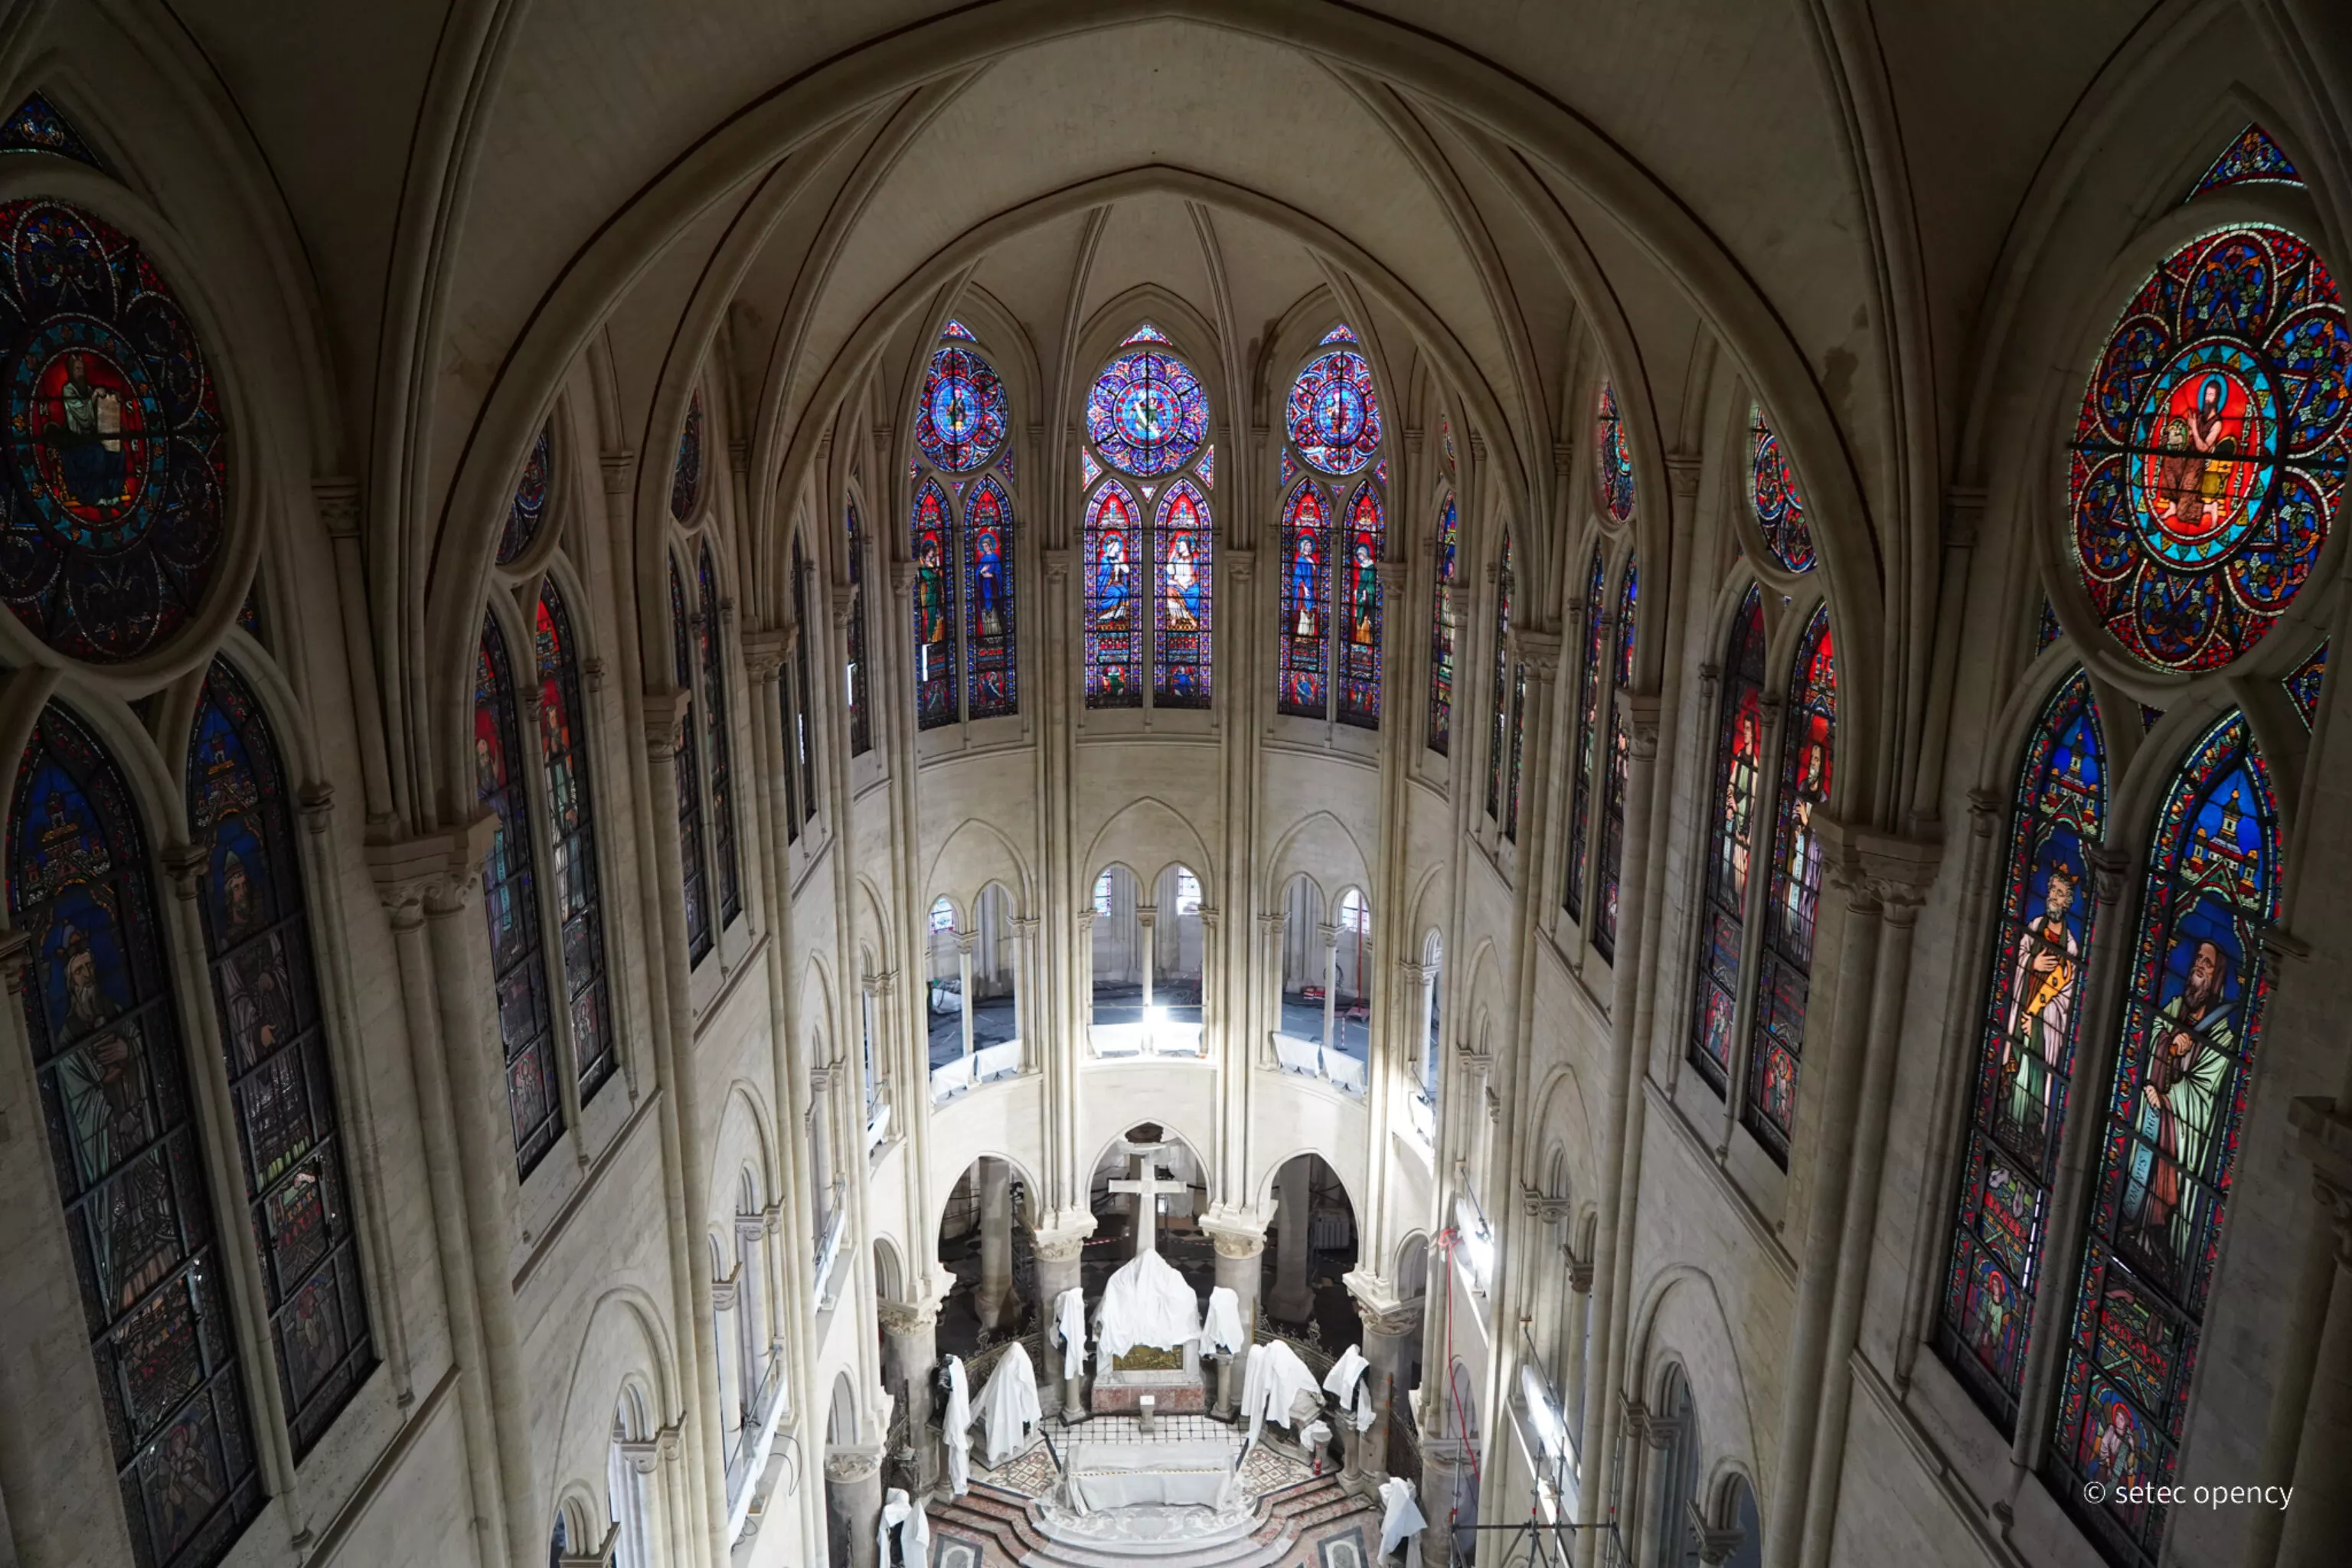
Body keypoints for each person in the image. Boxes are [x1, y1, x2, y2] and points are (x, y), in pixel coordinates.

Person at [2122, 938, 2235, 1277]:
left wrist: (2170, 1100)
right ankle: (2132, 1227)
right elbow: (2151, 1032)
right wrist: (2168, 1042)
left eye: (2208, 965)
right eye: (2198, 960)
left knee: (2164, 1189)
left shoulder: (2224, 1038)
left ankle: (2157, 1238)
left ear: (2216, 980)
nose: (2199, 967)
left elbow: (2204, 1096)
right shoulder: (2172, 1009)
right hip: (2149, 1122)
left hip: (2178, 1135)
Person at [2001, 867, 2081, 1149]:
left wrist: (2035, 1018)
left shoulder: (2070, 946)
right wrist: (2031, 965)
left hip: (2042, 1029)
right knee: (2016, 1074)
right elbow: (2018, 960)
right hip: (2021, 1013)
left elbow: (2066, 997)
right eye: (2052, 890)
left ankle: (2026, 1137)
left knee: (2031, 1077)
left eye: (2060, 893)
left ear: (2067, 902)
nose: (2053, 898)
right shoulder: (2033, 927)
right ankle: (2008, 1132)